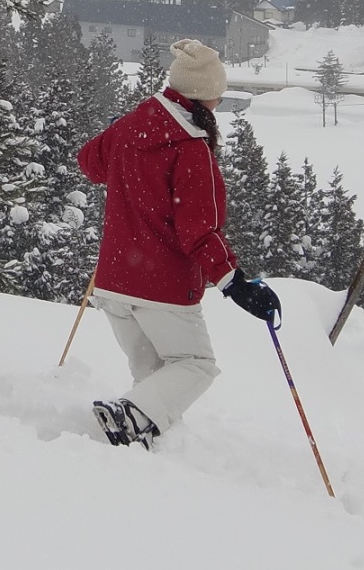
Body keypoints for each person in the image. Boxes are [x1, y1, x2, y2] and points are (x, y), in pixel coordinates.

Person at [76, 38, 281, 449]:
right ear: (201, 98)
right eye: (217, 96)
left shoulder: (131, 126)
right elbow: (200, 231)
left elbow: (89, 163)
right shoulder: (191, 149)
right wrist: (235, 283)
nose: (219, 103)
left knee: (153, 382)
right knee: (195, 365)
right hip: (161, 286)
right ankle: (126, 418)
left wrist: (117, 131)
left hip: (114, 282)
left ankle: (140, 449)